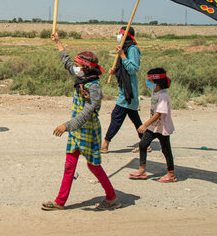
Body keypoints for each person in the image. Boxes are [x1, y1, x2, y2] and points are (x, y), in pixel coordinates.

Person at [41, 33, 120, 211]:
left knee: (93, 166)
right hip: (76, 132)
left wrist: (66, 126)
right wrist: (58, 42)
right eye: (76, 66)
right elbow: (67, 62)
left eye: (78, 66)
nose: (75, 68)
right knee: (69, 165)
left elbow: (86, 114)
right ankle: (60, 202)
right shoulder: (81, 77)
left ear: (86, 68)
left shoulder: (94, 88)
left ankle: (111, 196)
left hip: (88, 131)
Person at [101, 26, 144, 153]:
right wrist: (115, 72)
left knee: (116, 116)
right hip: (124, 89)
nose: (118, 36)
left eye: (121, 34)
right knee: (134, 117)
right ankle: (145, 142)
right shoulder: (124, 49)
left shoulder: (132, 49)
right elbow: (124, 69)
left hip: (128, 91)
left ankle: (105, 143)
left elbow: (133, 69)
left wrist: (123, 56)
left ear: (127, 36)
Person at [129, 68, 176, 182]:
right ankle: (142, 170)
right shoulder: (155, 92)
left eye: (150, 81)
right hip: (153, 126)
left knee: (165, 149)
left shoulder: (163, 96)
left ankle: (171, 174)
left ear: (157, 82)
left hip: (162, 127)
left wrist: (145, 125)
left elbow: (159, 114)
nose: (148, 83)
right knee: (143, 144)